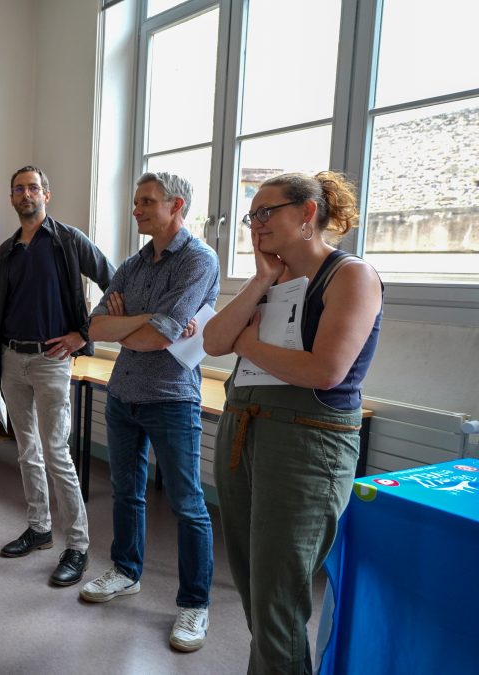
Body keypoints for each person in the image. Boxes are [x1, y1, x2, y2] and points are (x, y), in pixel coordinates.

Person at [203, 172, 382, 674]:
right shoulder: (272, 279)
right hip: (244, 430)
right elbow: (215, 341)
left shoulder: (351, 276)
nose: (255, 224)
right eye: (251, 216)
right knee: (256, 590)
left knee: (278, 599)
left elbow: (325, 371)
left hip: (309, 443)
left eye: (266, 212)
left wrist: (249, 344)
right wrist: (259, 280)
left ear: (307, 215)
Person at [80, 171, 219, 653]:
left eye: (146, 201)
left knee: (188, 505)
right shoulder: (134, 263)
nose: (136, 209)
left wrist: (134, 323)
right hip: (123, 394)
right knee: (126, 493)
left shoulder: (199, 260)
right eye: (136, 201)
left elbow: (163, 336)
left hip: (173, 398)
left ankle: (195, 604)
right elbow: (96, 324)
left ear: (176, 205)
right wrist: (141, 320)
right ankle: (125, 570)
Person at [0, 166, 114, 586]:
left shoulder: (68, 240)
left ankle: (77, 545)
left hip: (51, 360)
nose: (25, 194)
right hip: (10, 359)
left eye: (32, 187)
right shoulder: (9, 249)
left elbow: (114, 281)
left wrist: (82, 334)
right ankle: (39, 529)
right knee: (27, 450)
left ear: (46, 195)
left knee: (57, 451)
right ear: (11, 198)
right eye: (18, 188)